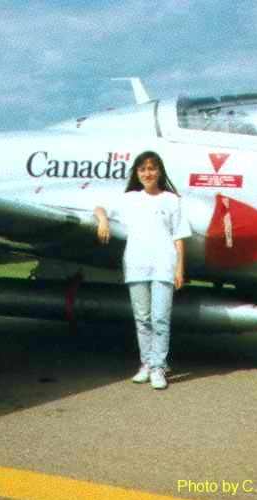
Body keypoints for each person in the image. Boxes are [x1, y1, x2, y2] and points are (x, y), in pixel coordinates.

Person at [94, 151, 191, 390]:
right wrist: (103, 221)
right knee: (142, 318)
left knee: (160, 318)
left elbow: (179, 237)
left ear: (159, 171)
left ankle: (159, 367)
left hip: (164, 266)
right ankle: (145, 364)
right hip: (137, 264)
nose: (147, 173)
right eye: (142, 169)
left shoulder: (172, 200)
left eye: (152, 168)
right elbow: (99, 208)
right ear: (137, 174)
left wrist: (179, 269)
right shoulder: (130, 198)